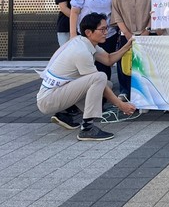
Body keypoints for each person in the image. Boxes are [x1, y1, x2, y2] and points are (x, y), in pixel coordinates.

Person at [37, 12, 137, 141]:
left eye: (106, 28)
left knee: (107, 84)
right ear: (89, 32)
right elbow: (97, 80)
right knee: (100, 78)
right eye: (102, 29)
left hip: (57, 93)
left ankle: (65, 114)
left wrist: (128, 45)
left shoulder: (85, 42)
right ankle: (87, 128)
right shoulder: (81, 51)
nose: (106, 32)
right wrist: (121, 105)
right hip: (49, 100)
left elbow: (108, 59)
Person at [111, 0, 161, 99]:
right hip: (125, 35)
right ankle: (125, 92)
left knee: (147, 66)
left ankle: (148, 95)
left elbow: (156, 12)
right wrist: (126, 33)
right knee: (125, 64)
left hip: (147, 34)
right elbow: (116, 13)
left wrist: (147, 30)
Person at [70, 0, 120, 83]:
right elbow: (74, 12)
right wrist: (73, 34)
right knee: (86, 65)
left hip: (108, 34)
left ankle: (103, 89)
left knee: (104, 66)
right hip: (87, 35)